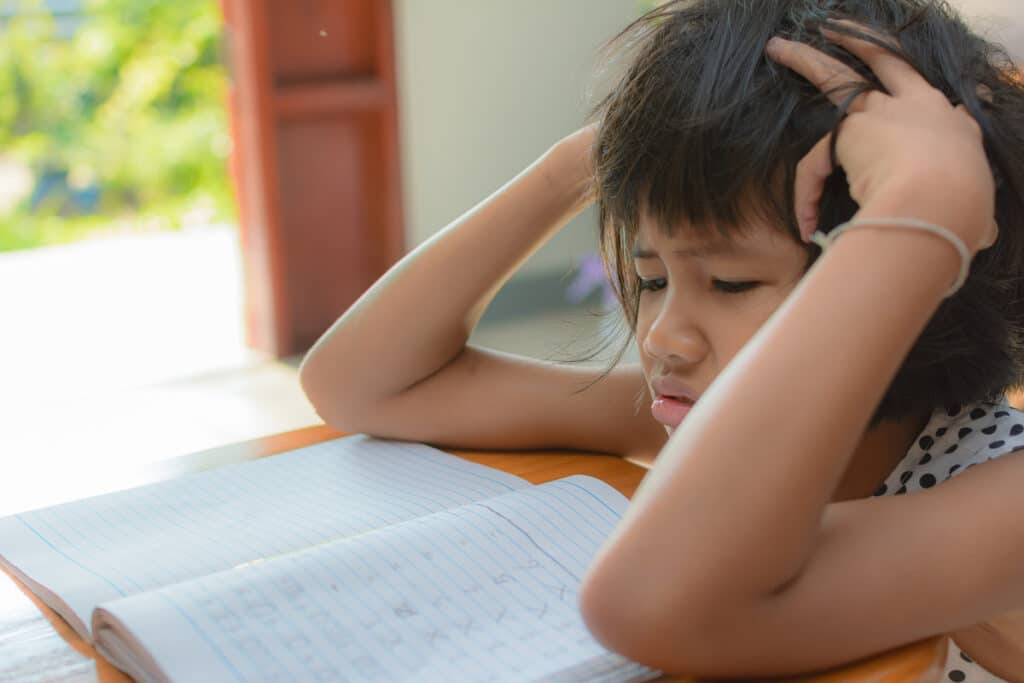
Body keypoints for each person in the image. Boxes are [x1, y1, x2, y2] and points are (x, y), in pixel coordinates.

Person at [298, 0, 1024, 679]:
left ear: (912, 282)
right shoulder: (701, 418)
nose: (663, 336)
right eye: (649, 280)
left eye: (731, 284)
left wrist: (923, 206)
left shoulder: (1002, 500)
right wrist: (588, 160)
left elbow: (647, 604)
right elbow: (364, 382)